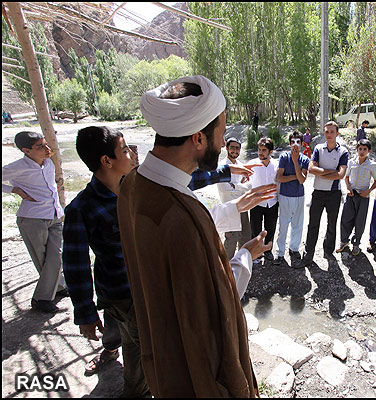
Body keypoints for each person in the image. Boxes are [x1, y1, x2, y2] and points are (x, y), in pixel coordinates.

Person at [118, 75, 273, 397]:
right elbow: (214, 306)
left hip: (162, 356)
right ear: (199, 139)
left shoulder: (132, 184)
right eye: (221, 134)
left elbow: (175, 242)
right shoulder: (182, 215)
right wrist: (245, 255)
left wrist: (232, 208)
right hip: (197, 376)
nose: (224, 142)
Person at [62, 126, 149, 397]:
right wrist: (85, 313)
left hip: (144, 287)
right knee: (143, 349)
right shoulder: (82, 208)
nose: (132, 154)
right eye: (124, 150)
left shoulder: (135, 187)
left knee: (134, 341)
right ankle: (136, 392)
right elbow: (75, 264)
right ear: (106, 161)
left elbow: (182, 181)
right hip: (120, 293)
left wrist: (225, 173)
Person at [2, 131, 68, 313]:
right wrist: (13, 189)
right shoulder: (18, 167)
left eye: (46, 144)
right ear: (26, 150)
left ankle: (57, 288)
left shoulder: (48, 164)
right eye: (40, 147)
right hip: (32, 219)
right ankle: (42, 299)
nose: (47, 149)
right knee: (43, 259)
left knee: (57, 255)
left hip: (54, 215)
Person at [302, 121, 349, 266]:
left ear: (337, 134)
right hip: (318, 192)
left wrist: (321, 172)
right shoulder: (318, 148)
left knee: (331, 224)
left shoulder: (343, 152)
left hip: (334, 193)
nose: (329, 134)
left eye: (332, 132)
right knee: (313, 224)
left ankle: (328, 250)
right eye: (327, 131)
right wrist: (331, 172)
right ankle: (308, 253)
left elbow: (341, 175)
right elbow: (311, 169)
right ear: (324, 133)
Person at [337, 139, 376, 256]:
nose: (362, 151)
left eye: (365, 149)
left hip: (363, 196)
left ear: (369, 151)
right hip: (351, 194)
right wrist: (348, 188)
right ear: (357, 149)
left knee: (360, 221)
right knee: (346, 218)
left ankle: (356, 244)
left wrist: (369, 191)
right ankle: (344, 241)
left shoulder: (372, 165)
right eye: (360, 149)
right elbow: (346, 177)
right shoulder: (351, 162)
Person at [274, 131, 309, 267]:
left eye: (298, 142)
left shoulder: (305, 160)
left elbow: (302, 181)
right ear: (289, 143)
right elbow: (279, 178)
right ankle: (280, 253)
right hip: (285, 195)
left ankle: (294, 249)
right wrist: (296, 175)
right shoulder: (283, 157)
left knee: (297, 224)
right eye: (293, 142)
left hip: (299, 196)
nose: (295, 145)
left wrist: (295, 162)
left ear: (301, 144)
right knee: (283, 225)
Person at [216, 138, 253, 259]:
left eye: (237, 148)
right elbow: (224, 188)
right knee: (231, 238)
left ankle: (241, 263)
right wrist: (240, 187)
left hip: (242, 206)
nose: (235, 150)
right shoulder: (222, 166)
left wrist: (234, 186)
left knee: (245, 236)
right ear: (226, 148)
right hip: (229, 208)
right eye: (232, 147)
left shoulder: (241, 165)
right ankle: (226, 268)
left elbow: (249, 186)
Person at [248, 137, 279, 264]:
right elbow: (246, 182)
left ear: (270, 152)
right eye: (259, 150)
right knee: (255, 229)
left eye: (264, 150)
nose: (260, 152)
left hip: (272, 202)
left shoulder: (277, 165)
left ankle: (268, 251)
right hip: (256, 202)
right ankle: (255, 253)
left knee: (270, 229)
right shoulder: (252, 164)